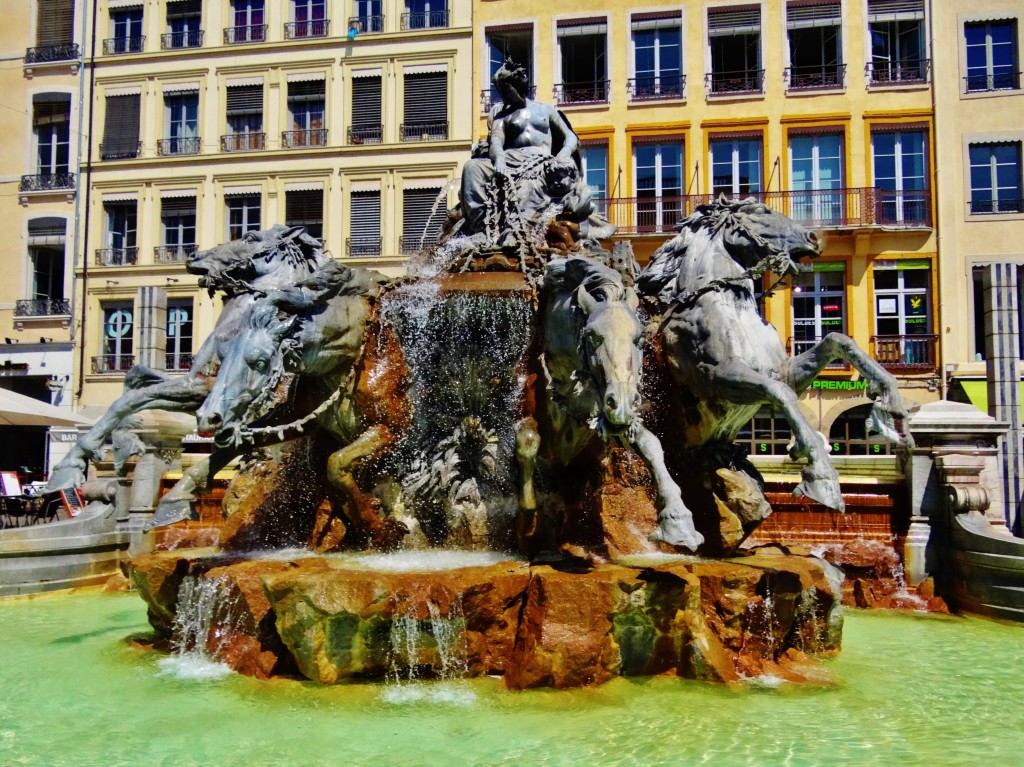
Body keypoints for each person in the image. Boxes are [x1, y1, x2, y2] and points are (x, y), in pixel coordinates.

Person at [458, 58, 611, 241]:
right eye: (500, 91)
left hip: (540, 161)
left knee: (530, 183)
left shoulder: (545, 110)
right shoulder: (502, 115)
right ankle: (482, 228)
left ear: (518, 85)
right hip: (510, 158)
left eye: (506, 89)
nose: (503, 95)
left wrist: (562, 154)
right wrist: (498, 158)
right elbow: (497, 141)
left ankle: (516, 230)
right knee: (471, 168)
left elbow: (570, 137)